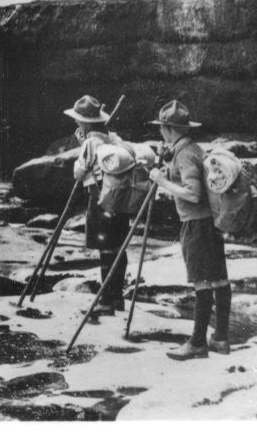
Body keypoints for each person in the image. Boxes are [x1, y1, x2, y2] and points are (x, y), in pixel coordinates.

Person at [147, 100, 232, 360]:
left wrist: (162, 181)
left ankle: (197, 343)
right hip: (210, 222)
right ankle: (220, 339)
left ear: (168, 128)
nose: (160, 132)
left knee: (201, 281)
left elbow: (193, 194)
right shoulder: (192, 148)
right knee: (218, 278)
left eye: (161, 128)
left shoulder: (184, 153)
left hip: (196, 223)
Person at [65, 94, 128, 315]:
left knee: (105, 248)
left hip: (100, 197)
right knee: (118, 246)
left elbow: (79, 172)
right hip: (119, 200)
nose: (76, 122)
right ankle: (117, 297)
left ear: (84, 122)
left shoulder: (91, 142)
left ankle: (105, 301)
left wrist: (83, 147)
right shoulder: (114, 138)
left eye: (78, 119)